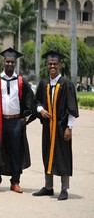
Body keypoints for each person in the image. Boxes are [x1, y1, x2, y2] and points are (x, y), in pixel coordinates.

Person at [0, 48, 34, 193]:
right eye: (8, 61)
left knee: (16, 152)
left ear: (15, 63)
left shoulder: (21, 81)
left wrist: (25, 118)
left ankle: (15, 182)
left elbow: (29, 99)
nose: (10, 64)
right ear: (3, 62)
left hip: (15, 122)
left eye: (12, 62)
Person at [32, 51, 79, 201]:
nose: (52, 66)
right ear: (47, 66)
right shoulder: (44, 83)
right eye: (50, 64)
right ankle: (48, 187)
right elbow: (36, 101)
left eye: (55, 64)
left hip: (61, 127)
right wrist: (41, 110)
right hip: (48, 128)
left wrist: (69, 127)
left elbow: (72, 107)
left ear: (59, 65)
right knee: (47, 155)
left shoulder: (67, 84)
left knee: (63, 157)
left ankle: (64, 189)